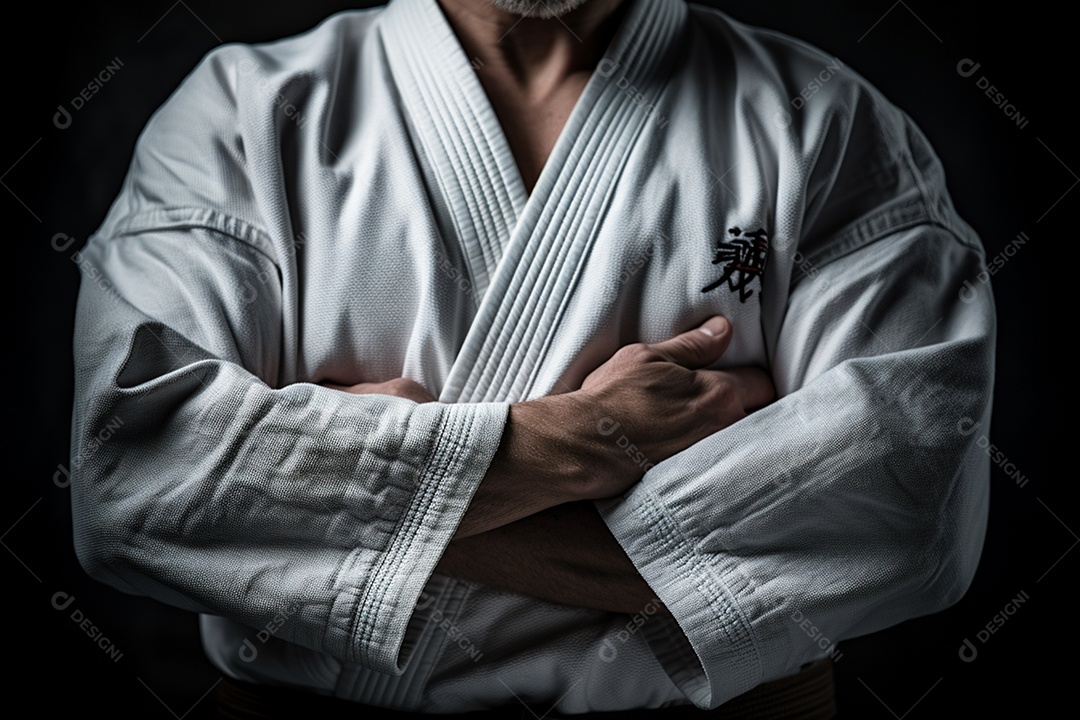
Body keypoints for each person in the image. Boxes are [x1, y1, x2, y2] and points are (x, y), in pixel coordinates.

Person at [69, 0, 995, 716]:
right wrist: (586, 440)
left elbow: (911, 516)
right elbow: (133, 478)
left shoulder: (825, 122)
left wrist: (311, 484)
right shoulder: (238, 112)